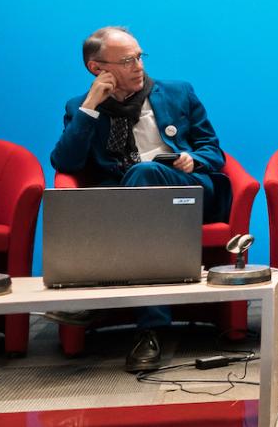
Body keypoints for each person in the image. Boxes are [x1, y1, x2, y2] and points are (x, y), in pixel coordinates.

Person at [50, 26, 232, 372]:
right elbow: (66, 163)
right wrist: (91, 106)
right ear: (97, 68)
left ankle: (94, 295)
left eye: (139, 57)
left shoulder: (178, 93)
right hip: (129, 202)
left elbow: (214, 151)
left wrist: (194, 160)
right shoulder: (80, 108)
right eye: (127, 60)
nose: (138, 67)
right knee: (123, 195)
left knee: (144, 173)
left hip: (187, 191)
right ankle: (151, 328)